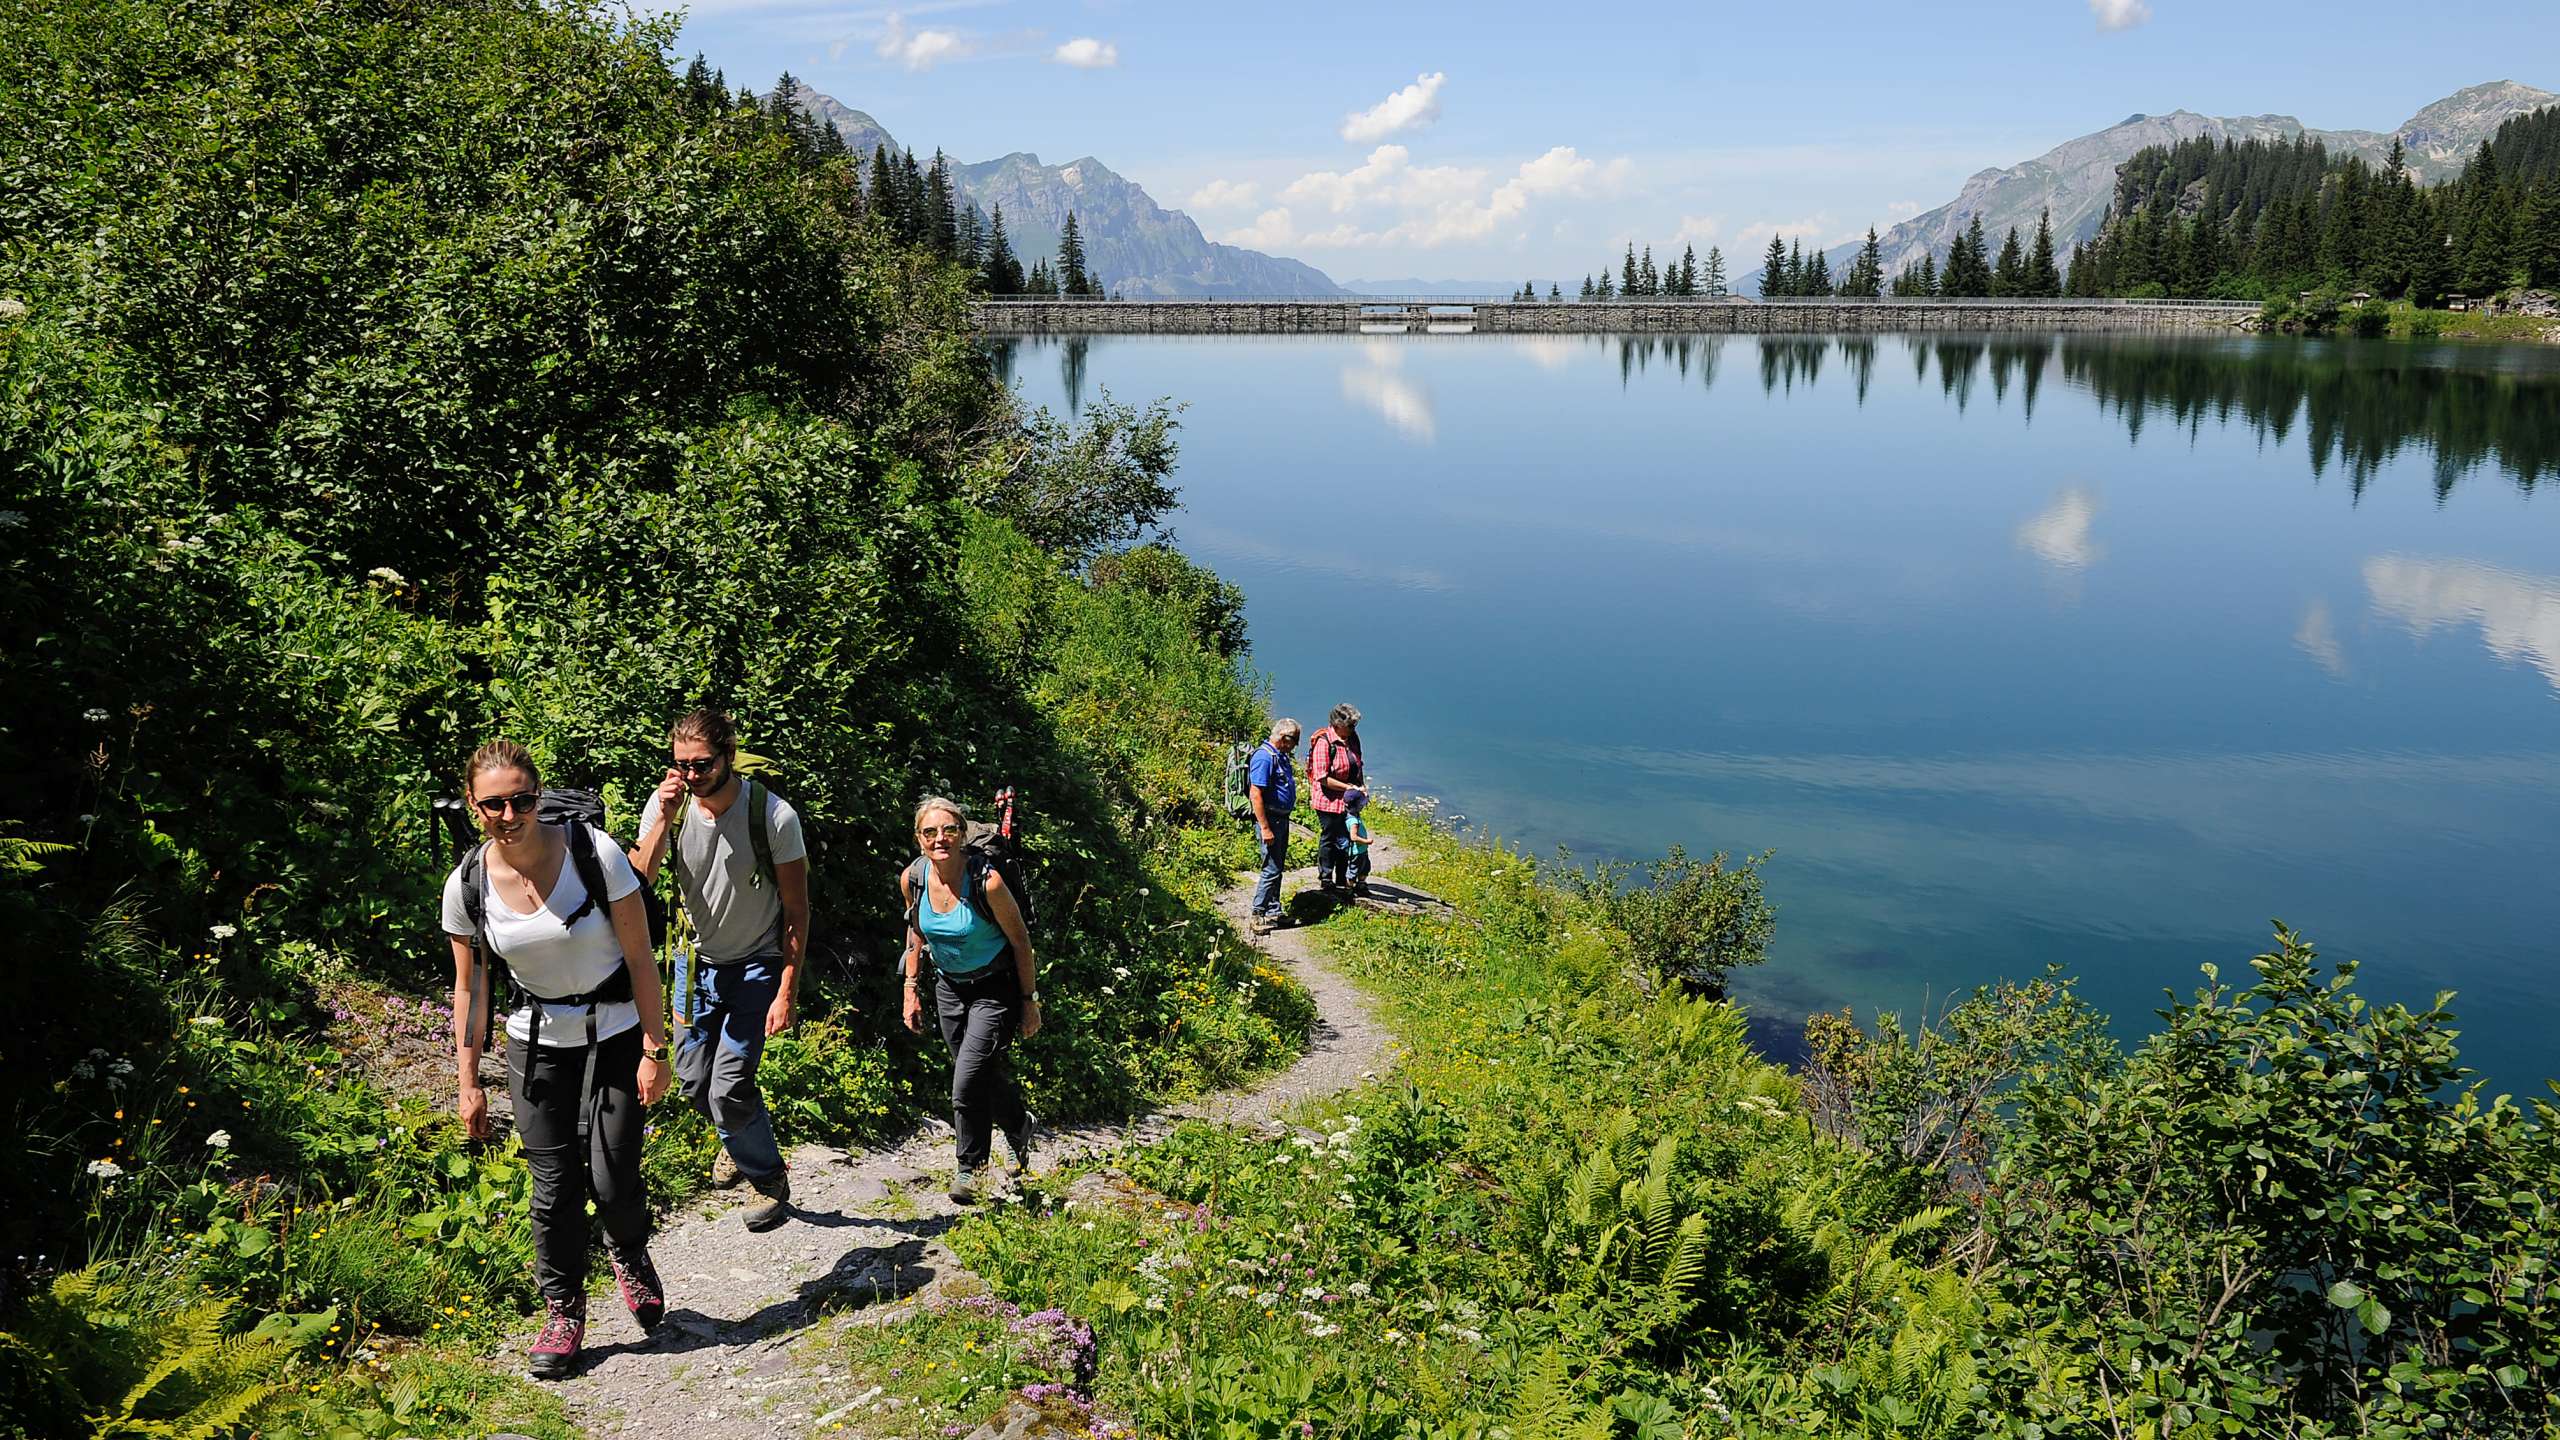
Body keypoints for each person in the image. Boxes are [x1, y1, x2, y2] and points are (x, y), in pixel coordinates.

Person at [443, 741, 672, 1381]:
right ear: (474, 806)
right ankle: (564, 1311)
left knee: (612, 1172)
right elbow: (472, 989)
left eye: (522, 799)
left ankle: (628, 1252)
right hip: (536, 1042)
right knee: (552, 1188)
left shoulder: (592, 853)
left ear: (539, 798)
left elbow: (641, 959)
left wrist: (656, 1049)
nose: (509, 814)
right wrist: (467, 1083)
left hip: (617, 1033)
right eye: (494, 804)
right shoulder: (466, 884)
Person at [629, 709, 810, 1233]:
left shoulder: (773, 816)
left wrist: (787, 989)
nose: (691, 775)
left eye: (702, 764)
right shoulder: (669, 806)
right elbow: (638, 883)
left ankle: (770, 1180)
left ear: (728, 754)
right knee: (691, 1080)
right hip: (691, 966)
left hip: (756, 964)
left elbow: (797, 909)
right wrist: (662, 817)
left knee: (728, 1087)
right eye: (681, 764)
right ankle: (738, 1135)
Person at [899, 796, 1041, 1203]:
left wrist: (1028, 1000)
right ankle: (1019, 1124)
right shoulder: (914, 879)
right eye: (930, 832)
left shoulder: (987, 881)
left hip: (994, 989)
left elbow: (1020, 941)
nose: (939, 838)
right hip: (949, 988)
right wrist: (911, 989)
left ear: (962, 835)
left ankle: (970, 1169)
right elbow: (916, 933)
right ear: (919, 838)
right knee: (978, 1074)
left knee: (966, 1081)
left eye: (948, 830)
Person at [1247, 719, 1301, 934]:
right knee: (1271, 868)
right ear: (1283, 738)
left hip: (1281, 819)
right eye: (1293, 741)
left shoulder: (1281, 757)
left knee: (1278, 866)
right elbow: (1255, 793)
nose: (1295, 745)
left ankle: (1274, 910)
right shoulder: (1264, 757)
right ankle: (1257, 913)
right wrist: (1265, 827)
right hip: (1270, 820)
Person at [1308, 703, 1368, 895]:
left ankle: (1342, 878)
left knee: (1347, 838)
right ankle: (1326, 878)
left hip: (1349, 800)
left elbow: (1358, 764)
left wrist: (1361, 786)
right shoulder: (1324, 742)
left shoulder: (1353, 739)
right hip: (1328, 800)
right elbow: (1322, 777)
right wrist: (1347, 787)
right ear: (1337, 723)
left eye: (1354, 725)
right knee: (1330, 838)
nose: (1353, 729)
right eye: (1350, 725)